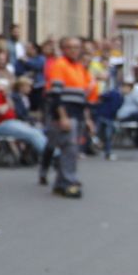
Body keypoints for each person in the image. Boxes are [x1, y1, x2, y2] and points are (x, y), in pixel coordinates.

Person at [41, 38, 95, 199]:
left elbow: (83, 96)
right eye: (70, 47)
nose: (73, 50)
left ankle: (60, 183)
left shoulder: (79, 67)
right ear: (63, 49)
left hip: (77, 113)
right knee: (69, 149)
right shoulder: (60, 65)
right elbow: (55, 95)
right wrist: (62, 116)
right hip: (66, 113)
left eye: (76, 47)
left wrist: (88, 119)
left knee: (71, 149)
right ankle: (68, 181)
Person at [0, 73, 46, 157]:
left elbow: (12, 106)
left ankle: (49, 154)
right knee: (33, 134)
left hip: (12, 122)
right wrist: (6, 104)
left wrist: (5, 94)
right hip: (0, 125)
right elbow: (1, 111)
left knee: (38, 131)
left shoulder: (0, 93)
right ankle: (50, 156)